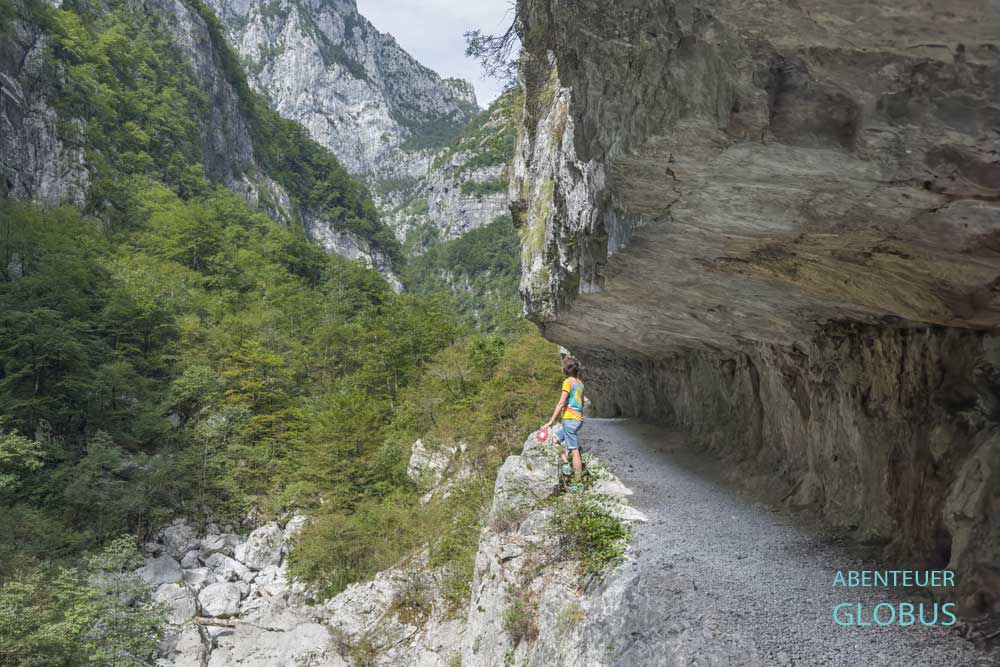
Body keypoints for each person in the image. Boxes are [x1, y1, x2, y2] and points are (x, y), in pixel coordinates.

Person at [542, 356, 585, 490]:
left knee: (574, 450)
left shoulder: (568, 382)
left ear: (566, 369)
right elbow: (582, 403)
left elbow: (561, 402)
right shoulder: (580, 383)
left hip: (569, 419)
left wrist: (551, 421)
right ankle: (566, 463)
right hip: (577, 419)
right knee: (555, 438)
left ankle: (578, 484)